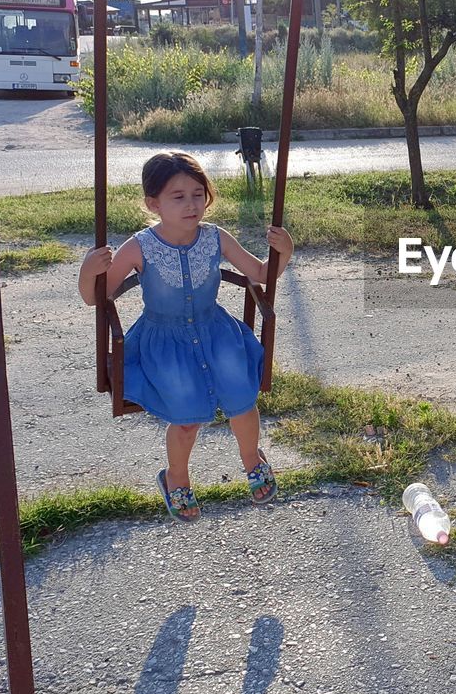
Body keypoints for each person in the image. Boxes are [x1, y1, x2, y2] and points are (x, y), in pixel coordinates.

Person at [78, 151, 294, 521]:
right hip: (165, 343)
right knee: (187, 415)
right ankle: (176, 477)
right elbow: (96, 298)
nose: (192, 204)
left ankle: (251, 459)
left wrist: (283, 252)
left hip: (216, 332)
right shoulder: (139, 247)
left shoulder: (216, 238)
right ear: (153, 203)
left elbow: (259, 273)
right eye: (178, 197)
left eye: (198, 194)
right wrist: (88, 270)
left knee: (242, 397)